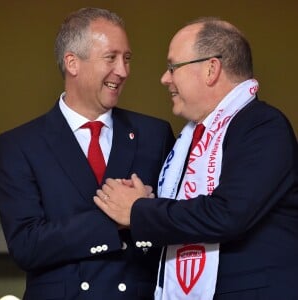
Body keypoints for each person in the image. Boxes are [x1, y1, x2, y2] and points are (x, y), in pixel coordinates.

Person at [94, 17, 298, 300]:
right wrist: (149, 205)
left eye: (172, 67)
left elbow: (227, 214)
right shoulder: (190, 139)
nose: (165, 78)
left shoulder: (263, 126)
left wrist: (138, 211)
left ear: (211, 69)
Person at [0, 7, 175, 300]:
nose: (123, 71)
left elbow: (176, 221)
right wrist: (120, 217)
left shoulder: (154, 135)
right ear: (72, 63)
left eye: (127, 58)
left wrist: (145, 214)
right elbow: (27, 247)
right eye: (111, 58)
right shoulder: (18, 146)